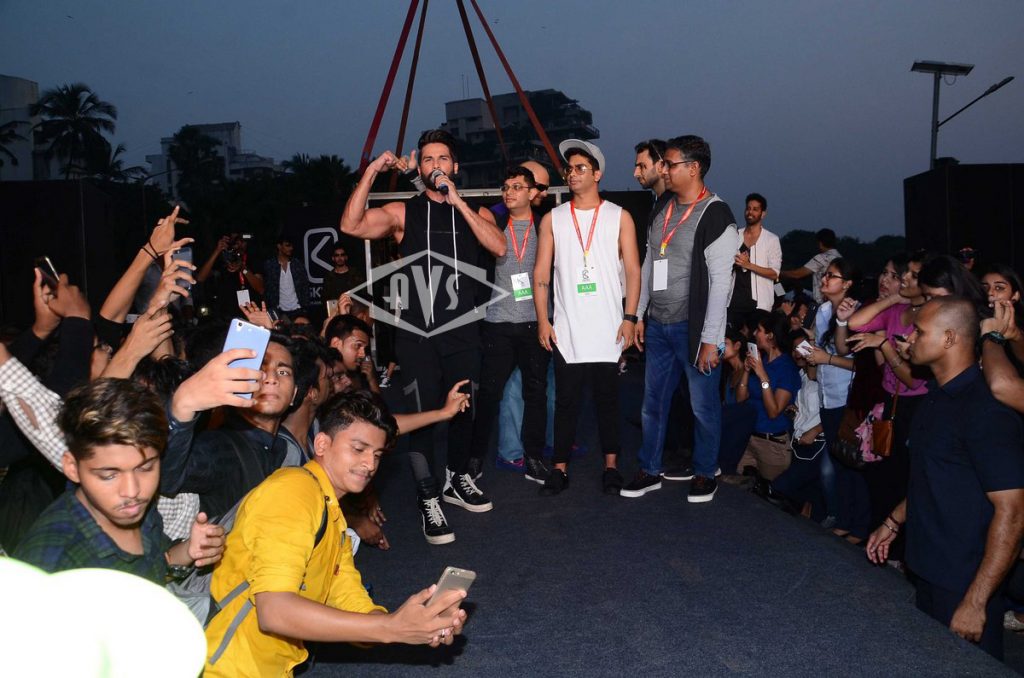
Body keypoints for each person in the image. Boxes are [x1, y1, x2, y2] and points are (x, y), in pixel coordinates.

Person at [203, 391, 467, 676]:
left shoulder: (330, 512)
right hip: (223, 667)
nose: (370, 464)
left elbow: (347, 597)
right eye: (358, 449)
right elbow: (274, 611)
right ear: (322, 444)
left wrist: (414, 623)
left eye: (377, 455)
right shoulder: (293, 492)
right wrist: (390, 628)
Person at [340, 129, 504, 543]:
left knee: (465, 409)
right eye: (428, 159)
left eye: (442, 159)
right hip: (417, 335)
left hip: (463, 331)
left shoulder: (476, 213)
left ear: (455, 167)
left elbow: (499, 247)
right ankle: (428, 496)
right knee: (423, 417)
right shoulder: (404, 212)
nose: (435, 165)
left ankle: (457, 478)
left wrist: (458, 202)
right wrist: (373, 171)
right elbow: (351, 224)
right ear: (422, 167)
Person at [867, 297, 1024, 660]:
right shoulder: (937, 394)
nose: (910, 337)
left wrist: (976, 600)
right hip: (928, 568)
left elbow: (1014, 511)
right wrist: (894, 520)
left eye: (920, 331)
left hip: (965, 578)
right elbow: (935, 476)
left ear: (950, 339)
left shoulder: (985, 409)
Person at [14, 379, 224, 584]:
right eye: (109, 475)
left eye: (145, 468)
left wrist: (188, 550)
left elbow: (157, 566)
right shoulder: (52, 564)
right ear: (72, 467)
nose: (132, 491)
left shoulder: (134, 507)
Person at [625, 135, 738, 502]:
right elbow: (649, 262)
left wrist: (710, 339)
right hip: (658, 324)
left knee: (703, 407)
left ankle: (705, 471)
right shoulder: (662, 207)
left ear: (694, 168)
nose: (664, 170)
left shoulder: (716, 214)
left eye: (670, 164)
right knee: (653, 403)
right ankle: (649, 469)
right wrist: (638, 313)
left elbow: (721, 284)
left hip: (694, 329)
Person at [533, 138, 641, 495]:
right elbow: (541, 273)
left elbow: (634, 271)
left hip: (609, 328)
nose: (572, 173)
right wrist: (543, 319)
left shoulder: (619, 216)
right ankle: (559, 469)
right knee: (565, 402)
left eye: (580, 168)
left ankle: (611, 467)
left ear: (597, 174)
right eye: (569, 168)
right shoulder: (553, 218)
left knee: (608, 402)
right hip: (568, 329)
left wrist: (630, 317)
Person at [844, 251, 931, 552]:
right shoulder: (897, 310)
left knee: (906, 479)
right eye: (895, 275)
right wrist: (895, 298)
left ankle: (902, 549)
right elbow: (856, 323)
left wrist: (884, 345)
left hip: (917, 406)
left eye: (907, 276)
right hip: (889, 402)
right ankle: (884, 545)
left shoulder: (929, 316)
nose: (901, 280)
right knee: (882, 475)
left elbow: (913, 379)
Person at [469, 167, 552, 485]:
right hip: (498, 323)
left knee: (536, 394)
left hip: (536, 323)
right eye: (505, 187)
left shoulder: (547, 226)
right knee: (489, 395)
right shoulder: (493, 225)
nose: (509, 192)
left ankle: (534, 457)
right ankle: (474, 458)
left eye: (517, 187)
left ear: (532, 193)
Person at [734, 311, 801, 482]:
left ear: (770, 335)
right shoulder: (761, 360)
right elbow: (740, 399)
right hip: (749, 437)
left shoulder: (786, 368)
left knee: (768, 493)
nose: (754, 333)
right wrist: (746, 371)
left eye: (759, 330)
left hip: (772, 443)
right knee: (742, 488)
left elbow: (773, 411)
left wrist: (763, 376)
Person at [727, 193, 782, 330]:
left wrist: (748, 265)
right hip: (734, 302)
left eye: (755, 209)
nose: (750, 212)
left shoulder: (771, 240)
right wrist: (735, 263)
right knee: (730, 339)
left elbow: (774, 273)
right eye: (748, 208)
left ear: (763, 214)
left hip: (759, 306)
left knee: (756, 341)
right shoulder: (734, 236)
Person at [196, 231, 264, 319]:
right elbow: (200, 278)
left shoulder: (253, 259)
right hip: (224, 314)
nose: (239, 244)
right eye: (235, 241)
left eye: (242, 241)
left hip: (249, 313)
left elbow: (260, 289)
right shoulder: (221, 258)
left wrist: (243, 269)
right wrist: (217, 250)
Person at [780, 228, 841, 303]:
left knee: (779, 294)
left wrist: (778, 274)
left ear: (820, 243)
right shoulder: (840, 258)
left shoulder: (822, 258)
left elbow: (797, 274)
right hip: (835, 301)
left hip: (821, 302)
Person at [263, 235, 311, 321]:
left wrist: (304, 307)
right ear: (279, 246)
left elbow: (305, 286)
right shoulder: (270, 265)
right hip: (279, 312)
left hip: (298, 310)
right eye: (287, 245)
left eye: (292, 246)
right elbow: (267, 289)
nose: (291, 248)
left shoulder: (297, 264)